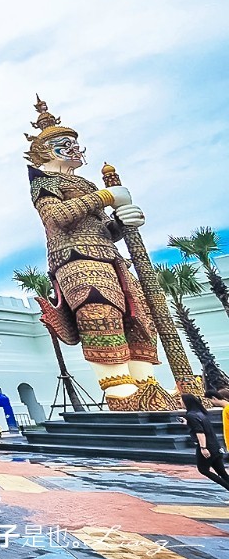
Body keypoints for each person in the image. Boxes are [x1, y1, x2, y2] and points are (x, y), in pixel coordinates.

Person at [25, 96, 176, 412]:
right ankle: (119, 391)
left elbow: (105, 228)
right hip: (75, 258)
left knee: (139, 315)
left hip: (109, 255)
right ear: (43, 152)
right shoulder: (44, 182)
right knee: (99, 312)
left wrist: (122, 222)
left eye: (74, 143)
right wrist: (105, 196)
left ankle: (146, 384)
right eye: (63, 145)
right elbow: (57, 218)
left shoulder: (85, 182)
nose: (74, 149)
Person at [182, 393, 229, 492]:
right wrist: (187, 423)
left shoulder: (190, 415)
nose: (180, 402)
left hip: (207, 446)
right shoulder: (201, 413)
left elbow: (200, 432)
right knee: (222, 472)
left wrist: (203, 448)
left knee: (203, 469)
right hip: (215, 445)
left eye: (181, 400)